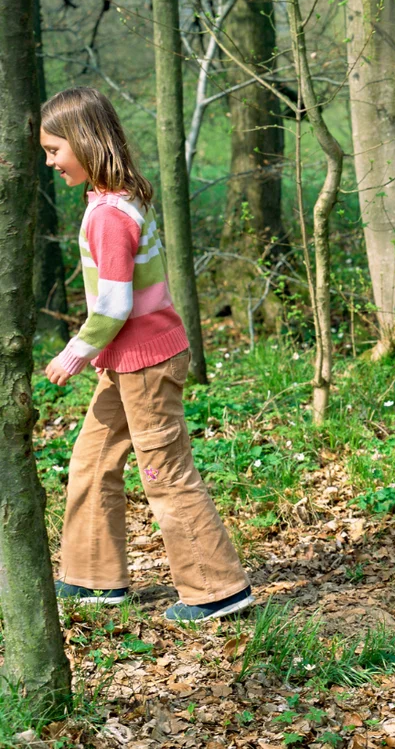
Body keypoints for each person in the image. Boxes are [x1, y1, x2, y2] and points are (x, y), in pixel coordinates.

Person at [41, 86, 253, 623]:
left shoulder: (111, 214)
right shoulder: (110, 198)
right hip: (125, 361)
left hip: (143, 362)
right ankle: (94, 579)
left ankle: (217, 590)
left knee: (164, 471)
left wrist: (74, 354)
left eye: (54, 150)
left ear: (85, 143)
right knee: (92, 459)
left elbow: (114, 305)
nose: (50, 162)